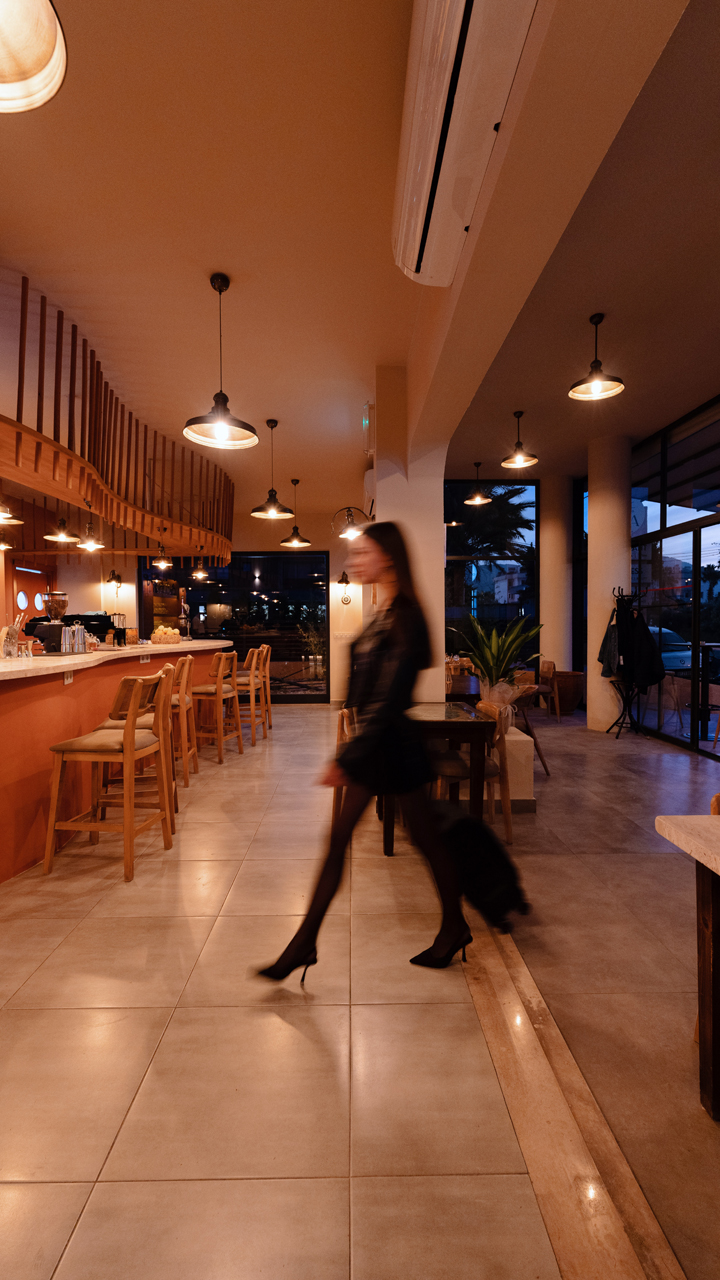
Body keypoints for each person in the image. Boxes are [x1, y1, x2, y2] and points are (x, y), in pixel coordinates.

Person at [258, 520, 470, 984]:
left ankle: (452, 927)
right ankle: (306, 941)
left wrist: (347, 756)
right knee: (371, 841)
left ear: (387, 557)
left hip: (390, 745)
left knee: (422, 841)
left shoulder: (404, 614)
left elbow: (389, 698)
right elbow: (373, 688)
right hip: (383, 744)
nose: (354, 561)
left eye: (362, 552)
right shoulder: (387, 609)